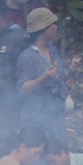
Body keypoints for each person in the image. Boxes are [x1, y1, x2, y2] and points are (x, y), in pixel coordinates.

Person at [16, 8, 68, 146]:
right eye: (53, 24)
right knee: (38, 147)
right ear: (44, 29)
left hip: (55, 108)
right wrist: (43, 77)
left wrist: (71, 70)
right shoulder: (27, 56)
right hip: (36, 110)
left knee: (58, 146)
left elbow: (59, 76)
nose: (56, 27)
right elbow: (23, 88)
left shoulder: (52, 50)